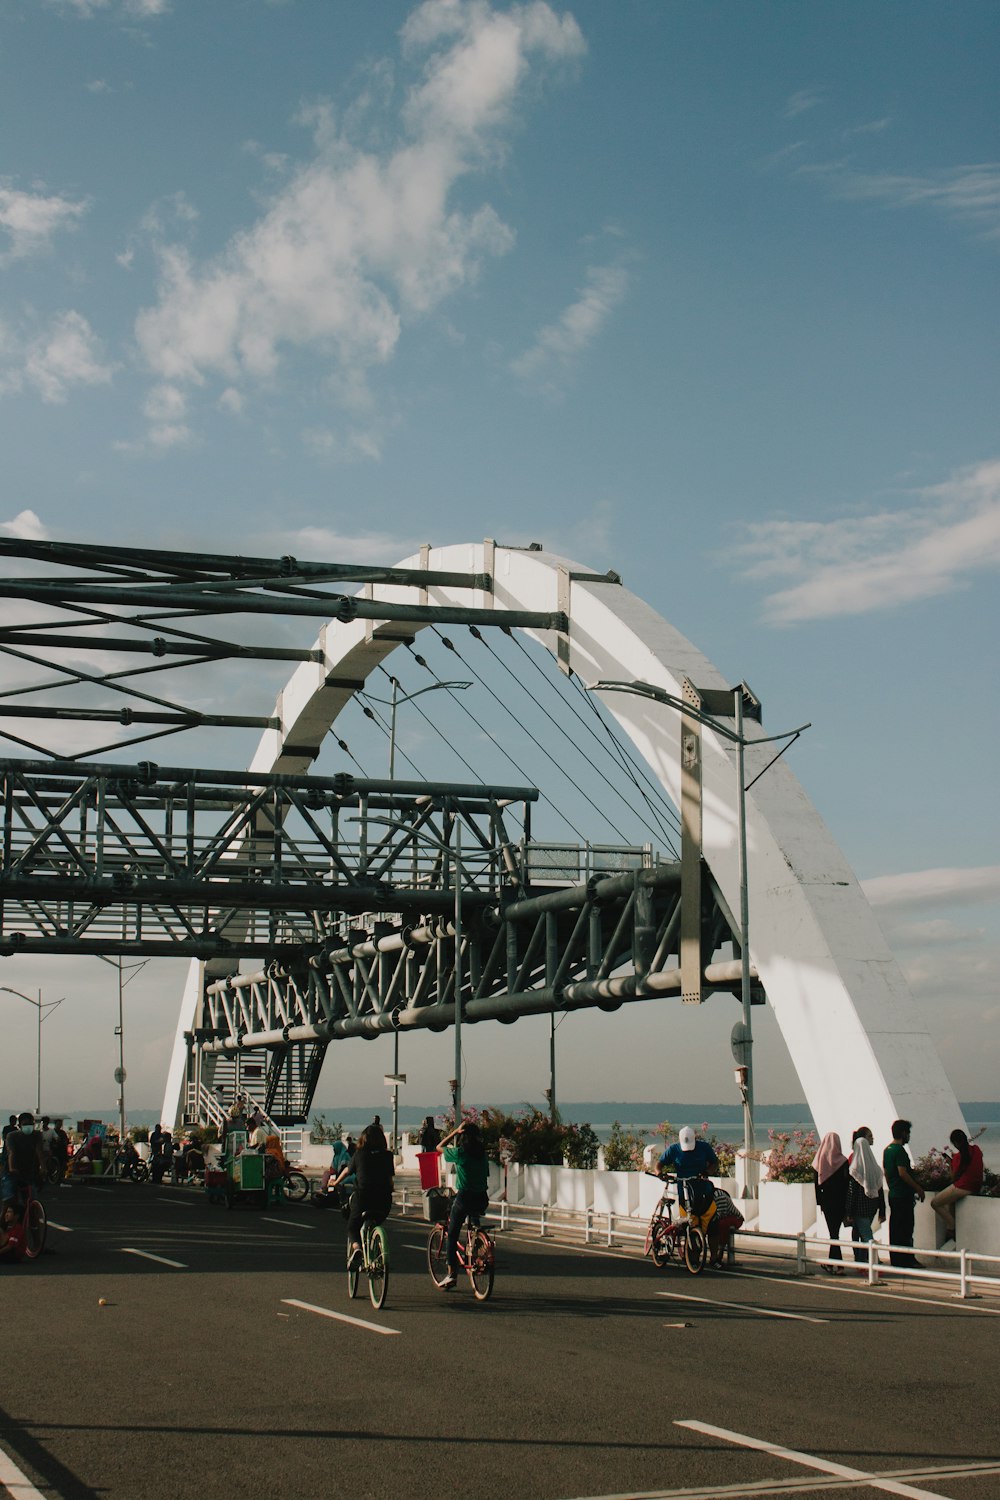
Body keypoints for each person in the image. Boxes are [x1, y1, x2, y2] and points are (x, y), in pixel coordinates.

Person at [332, 1122, 394, 1270]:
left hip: (363, 1199)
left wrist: (335, 1182)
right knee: (376, 1221)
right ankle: (375, 1242)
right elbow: (390, 1180)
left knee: (352, 1227)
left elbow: (347, 1171)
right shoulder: (388, 1155)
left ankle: (358, 1248)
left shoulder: (359, 1155)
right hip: (384, 1201)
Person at [436, 1119, 490, 1289]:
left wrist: (454, 1132)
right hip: (482, 1198)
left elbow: (439, 1147)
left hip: (464, 1197)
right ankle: (478, 1248)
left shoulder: (460, 1153)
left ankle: (451, 1274)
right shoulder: (483, 1155)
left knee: (452, 1234)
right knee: (474, 1223)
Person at [883, 1119, 924, 1269]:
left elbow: (887, 1172)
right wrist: (918, 1188)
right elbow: (902, 1172)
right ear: (903, 1133)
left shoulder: (887, 1150)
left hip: (894, 1194)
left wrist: (891, 1186)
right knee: (906, 1228)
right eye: (908, 1133)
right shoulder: (899, 1151)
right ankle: (907, 1259)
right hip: (903, 1196)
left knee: (895, 1228)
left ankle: (896, 1258)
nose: (909, 1136)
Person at [931, 1128, 984, 1243]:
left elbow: (953, 1177)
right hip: (975, 1186)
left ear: (955, 1143)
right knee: (951, 1203)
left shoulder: (958, 1157)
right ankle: (952, 1228)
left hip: (963, 1187)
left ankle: (952, 1226)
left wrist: (950, 1163)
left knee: (935, 1203)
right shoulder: (976, 1149)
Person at [844, 1126, 886, 1266]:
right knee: (863, 1233)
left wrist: (849, 1212)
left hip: (859, 1209)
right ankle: (863, 1260)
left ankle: (874, 1261)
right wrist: (882, 1210)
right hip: (872, 1207)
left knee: (866, 1235)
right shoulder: (875, 1168)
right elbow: (880, 1190)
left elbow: (852, 1192)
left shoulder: (855, 1168)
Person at [656, 1126, 720, 1214]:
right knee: (685, 1216)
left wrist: (707, 1172)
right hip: (683, 1188)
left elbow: (715, 1163)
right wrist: (659, 1173)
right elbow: (659, 1164)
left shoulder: (704, 1147)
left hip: (701, 1187)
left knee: (705, 1214)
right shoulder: (674, 1149)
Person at [811, 1131, 850, 1273]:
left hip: (827, 1201)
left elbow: (816, 1184)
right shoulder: (843, 1161)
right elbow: (847, 1183)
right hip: (840, 1201)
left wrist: (819, 1202)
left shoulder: (818, 1161)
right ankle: (835, 1264)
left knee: (833, 1233)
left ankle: (836, 1265)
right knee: (835, 1233)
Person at [2, 1112, 43, 1210]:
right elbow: (12, 1152)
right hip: (12, 1172)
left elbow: (39, 1151)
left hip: (28, 1172)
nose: (28, 1127)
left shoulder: (37, 1135)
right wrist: (12, 1168)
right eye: (25, 1124)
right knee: (9, 1198)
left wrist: (43, 1167)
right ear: (19, 1125)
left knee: (31, 1199)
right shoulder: (12, 1136)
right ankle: (3, 1221)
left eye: (30, 1124)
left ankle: (32, 1221)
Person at [708, 1185, 744, 1268]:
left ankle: (718, 1254)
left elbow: (720, 1214)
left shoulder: (718, 1196)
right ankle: (717, 1255)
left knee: (721, 1225)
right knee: (719, 1225)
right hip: (724, 1216)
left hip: (734, 1217)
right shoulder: (711, 1195)